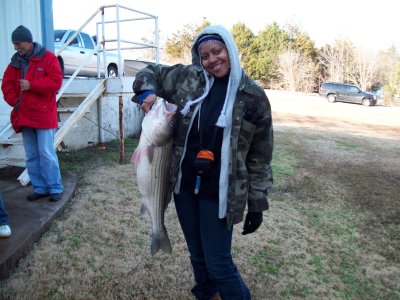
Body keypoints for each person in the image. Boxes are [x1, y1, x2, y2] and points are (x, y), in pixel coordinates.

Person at [132, 25, 273, 300]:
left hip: (220, 194)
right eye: (205, 55)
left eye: (217, 51)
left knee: (219, 265)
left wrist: (257, 204)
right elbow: (150, 71)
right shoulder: (189, 79)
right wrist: (147, 92)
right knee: (198, 257)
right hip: (185, 188)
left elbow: (260, 157)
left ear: (230, 51)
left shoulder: (253, 96)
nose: (212, 60)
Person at [1, 25, 64, 202]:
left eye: (18, 43)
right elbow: (6, 86)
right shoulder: (14, 62)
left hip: (43, 115)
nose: (16, 48)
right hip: (24, 116)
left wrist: (31, 85)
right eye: (14, 44)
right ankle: (40, 188)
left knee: (46, 153)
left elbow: (56, 82)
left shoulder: (48, 58)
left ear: (28, 41)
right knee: (31, 155)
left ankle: (55, 188)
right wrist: (16, 101)